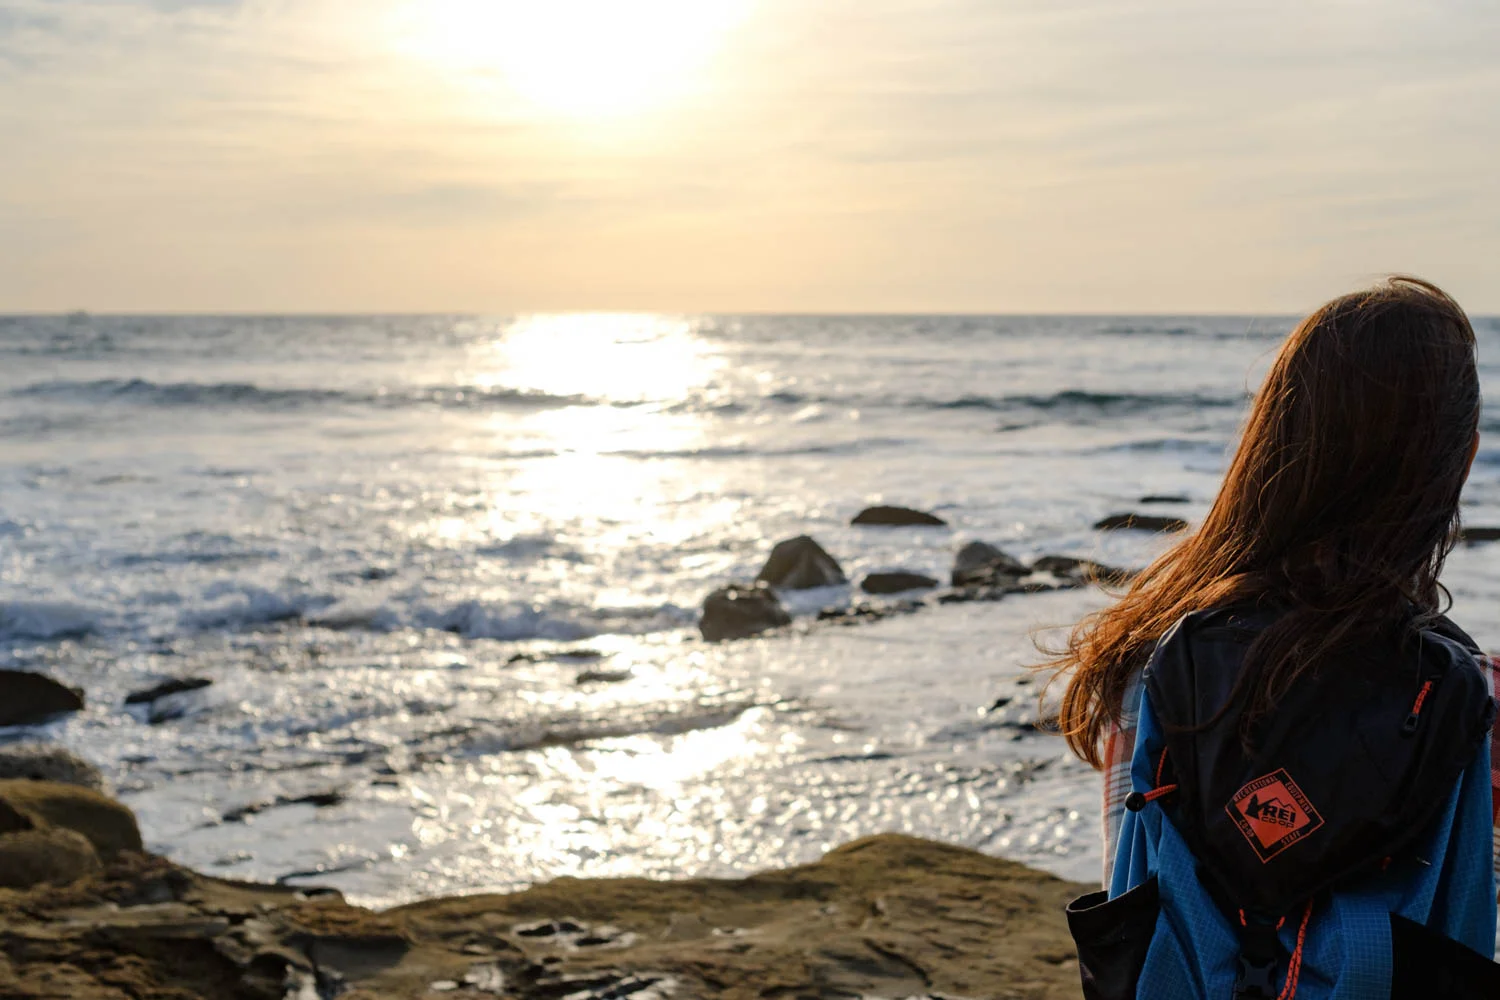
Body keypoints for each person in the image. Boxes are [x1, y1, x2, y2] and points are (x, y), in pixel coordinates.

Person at [1045, 277, 1500, 998]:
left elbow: (1133, 895)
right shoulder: (1472, 693)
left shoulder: (1153, 656)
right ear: (1464, 460)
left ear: (1271, 440)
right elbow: (1469, 921)